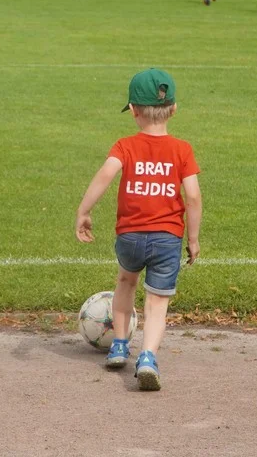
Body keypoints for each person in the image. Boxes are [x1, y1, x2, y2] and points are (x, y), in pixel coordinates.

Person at [75, 68, 202, 392]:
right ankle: (147, 357)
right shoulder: (182, 150)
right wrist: (193, 239)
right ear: (173, 109)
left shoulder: (125, 146)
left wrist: (84, 211)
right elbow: (193, 196)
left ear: (133, 110)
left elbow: (105, 175)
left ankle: (119, 345)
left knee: (125, 282)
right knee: (157, 302)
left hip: (130, 237)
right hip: (167, 238)